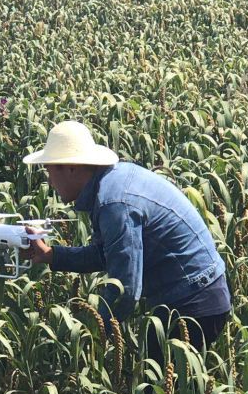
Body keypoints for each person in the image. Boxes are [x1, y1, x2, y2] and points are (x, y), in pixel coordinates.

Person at [22, 120, 231, 361]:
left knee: (157, 381)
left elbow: (125, 289)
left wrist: (92, 339)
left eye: (50, 171)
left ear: (71, 168)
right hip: (199, 294)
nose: (49, 181)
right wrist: (50, 255)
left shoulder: (115, 203)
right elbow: (106, 253)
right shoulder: (112, 181)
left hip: (193, 303)